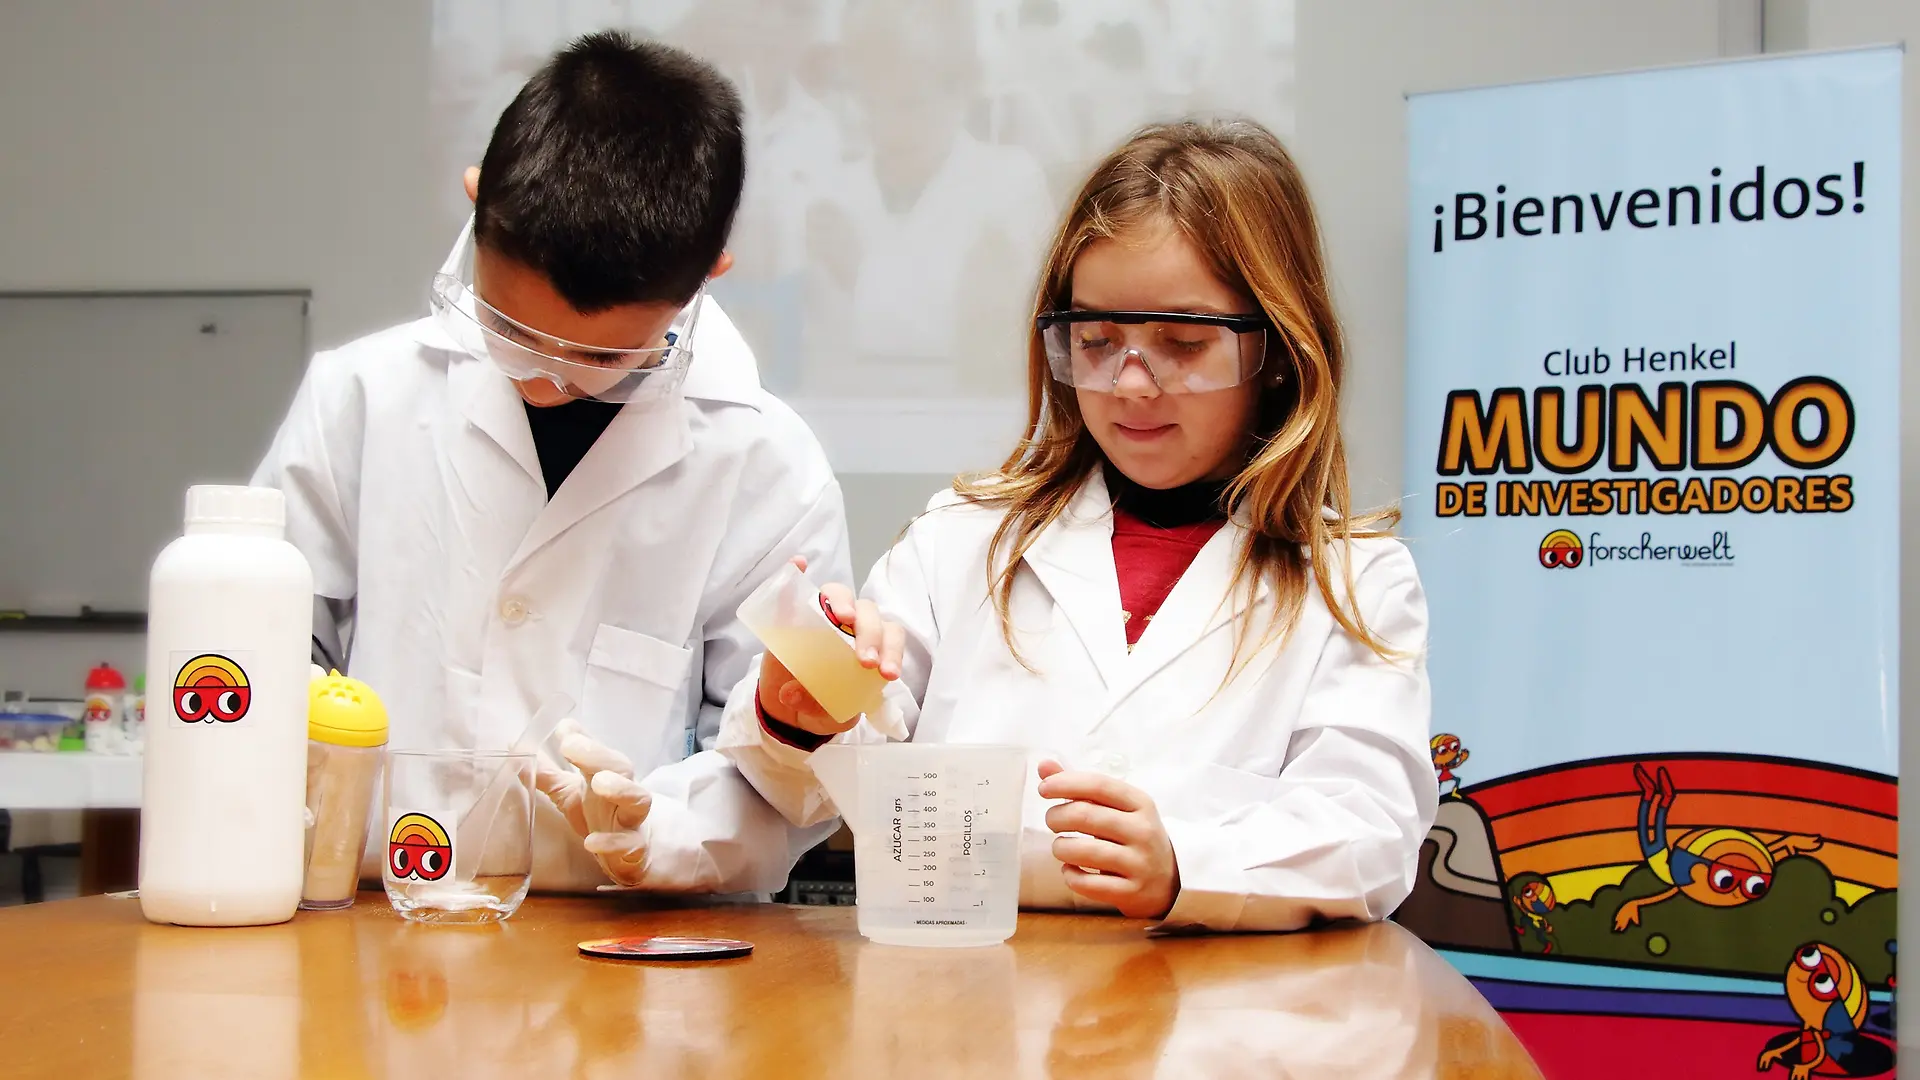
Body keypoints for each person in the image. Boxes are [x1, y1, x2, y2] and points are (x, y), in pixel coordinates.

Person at [718, 119, 1435, 931]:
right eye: (1095, 339)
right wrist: (802, 709)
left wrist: (1186, 867)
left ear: (1276, 348)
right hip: (968, 1025)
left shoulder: (1354, 579)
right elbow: (817, 785)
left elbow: (1371, 833)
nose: (1131, 383)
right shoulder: (963, 541)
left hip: (1214, 1026)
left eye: (1183, 342)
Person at [253, 32, 846, 893]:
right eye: (508, 330)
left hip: (625, 946)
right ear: (474, 199)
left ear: (706, 277)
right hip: (377, 920)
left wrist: (667, 831)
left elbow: (793, 779)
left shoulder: (768, 467)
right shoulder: (361, 398)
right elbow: (262, 650)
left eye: (597, 359)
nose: (542, 380)